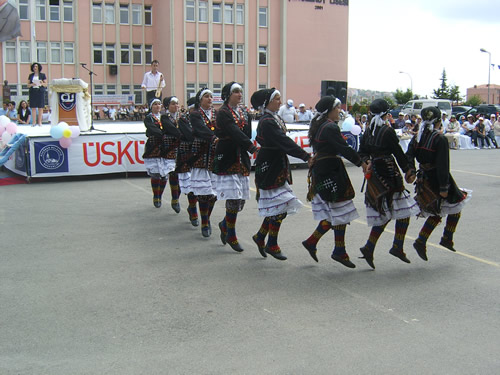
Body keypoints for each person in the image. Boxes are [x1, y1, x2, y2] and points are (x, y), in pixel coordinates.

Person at [301, 96, 368, 268]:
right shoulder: (329, 127)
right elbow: (343, 148)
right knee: (340, 209)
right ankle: (338, 250)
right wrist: (361, 163)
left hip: (324, 170)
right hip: (330, 171)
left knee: (337, 211)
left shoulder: (320, 126)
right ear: (329, 110)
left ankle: (314, 242)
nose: (340, 111)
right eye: (337, 108)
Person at [357, 99, 419, 269]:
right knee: (402, 211)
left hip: (375, 175)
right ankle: (396, 246)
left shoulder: (368, 130)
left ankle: (370, 247)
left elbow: (362, 152)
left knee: (387, 211)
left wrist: (367, 161)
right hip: (389, 174)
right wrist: (408, 170)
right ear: (386, 114)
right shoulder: (386, 131)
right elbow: (398, 153)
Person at [251, 88, 311, 260]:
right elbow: (283, 141)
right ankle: (271, 243)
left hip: (276, 164)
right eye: (276, 98)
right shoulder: (267, 121)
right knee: (281, 205)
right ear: (266, 103)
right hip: (270, 165)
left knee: (278, 206)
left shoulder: (274, 118)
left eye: (279, 98)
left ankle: (261, 236)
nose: (280, 101)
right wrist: (305, 156)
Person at [406, 106, 470, 260]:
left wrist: (411, 171)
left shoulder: (418, 137)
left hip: (424, 178)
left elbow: (409, 155)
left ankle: (439, 238)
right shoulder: (439, 139)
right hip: (435, 179)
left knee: (440, 209)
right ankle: (436, 238)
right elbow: (443, 165)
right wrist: (444, 187)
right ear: (439, 121)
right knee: (453, 204)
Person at [213, 82, 257, 252]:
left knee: (241, 200)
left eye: (240, 92)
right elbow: (233, 132)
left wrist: (248, 146)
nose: (239, 94)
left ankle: (224, 224)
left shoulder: (245, 112)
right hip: (228, 156)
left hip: (241, 157)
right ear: (228, 95)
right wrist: (251, 147)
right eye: (236, 92)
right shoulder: (223, 112)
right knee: (233, 197)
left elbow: (246, 133)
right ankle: (231, 234)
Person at [190, 87, 219, 238]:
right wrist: (214, 137)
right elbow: (200, 129)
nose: (209, 99)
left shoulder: (217, 113)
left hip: (214, 153)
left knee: (213, 193)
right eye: (206, 96)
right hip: (200, 153)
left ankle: (207, 217)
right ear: (200, 99)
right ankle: (204, 222)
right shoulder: (195, 114)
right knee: (203, 192)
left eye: (211, 96)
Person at [142, 98, 178, 209]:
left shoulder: (165, 117)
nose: (158, 106)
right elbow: (152, 129)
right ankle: (156, 196)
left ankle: (163, 195)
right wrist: (163, 134)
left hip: (165, 146)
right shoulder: (149, 118)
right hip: (154, 146)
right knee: (156, 173)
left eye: (159, 104)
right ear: (151, 106)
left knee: (166, 173)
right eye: (155, 104)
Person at [175, 97, 199, 226]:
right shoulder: (183, 119)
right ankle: (193, 208)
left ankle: (195, 208)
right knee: (190, 184)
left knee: (201, 185)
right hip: (187, 152)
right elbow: (190, 135)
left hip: (201, 152)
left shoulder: (204, 118)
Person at [161, 96, 183, 213]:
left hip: (181, 148)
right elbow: (172, 130)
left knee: (181, 174)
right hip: (170, 148)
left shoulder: (182, 117)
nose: (176, 106)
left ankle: (176, 197)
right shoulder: (165, 117)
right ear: (167, 106)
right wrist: (183, 134)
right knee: (173, 173)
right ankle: (175, 198)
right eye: (173, 104)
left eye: (177, 103)